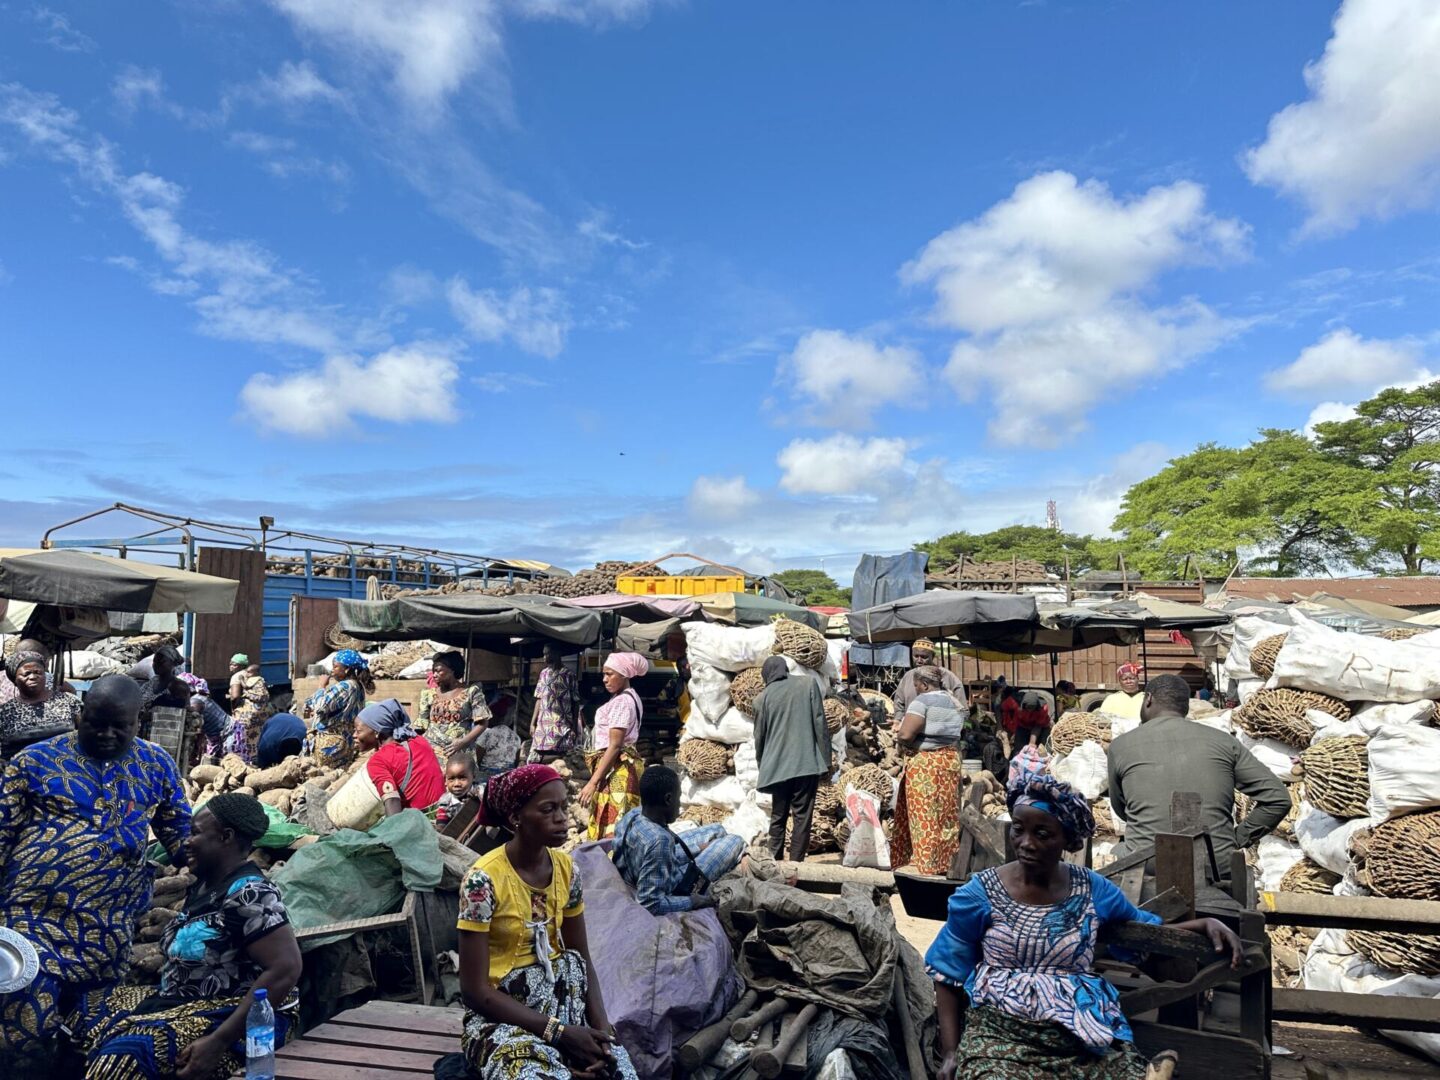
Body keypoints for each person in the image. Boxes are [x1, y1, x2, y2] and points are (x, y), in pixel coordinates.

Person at [925, 770, 1243, 1080]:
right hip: (1001, 1033)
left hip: (1079, 1034)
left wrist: (1205, 923)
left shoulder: (1092, 889)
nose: (1026, 843)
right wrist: (951, 1053)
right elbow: (947, 973)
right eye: (1018, 829)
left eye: (1042, 834)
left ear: (1068, 839)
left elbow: (1142, 933)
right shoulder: (979, 894)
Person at [0, 675, 191, 1072]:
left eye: (119, 726)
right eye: (96, 723)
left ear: (139, 721)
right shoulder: (33, 762)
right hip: (33, 924)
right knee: (23, 1035)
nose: (106, 734)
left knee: (87, 1036)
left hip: (109, 934)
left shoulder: (156, 764)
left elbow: (181, 835)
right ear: (78, 714)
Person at [78, 793, 303, 1080]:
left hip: (240, 1018)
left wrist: (218, 1043)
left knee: (126, 1056)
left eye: (195, 833)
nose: (186, 841)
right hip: (186, 1000)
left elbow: (286, 969)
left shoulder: (250, 893)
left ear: (226, 837)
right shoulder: (205, 885)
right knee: (83, 1012)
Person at [457, 764, 639, 1079]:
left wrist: (602, 1032)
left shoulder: (568, 871)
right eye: (548, 809)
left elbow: (582, 957)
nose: (562, 818)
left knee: (619, 1071)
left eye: (563, 807)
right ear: (516, 818)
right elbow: (474, 991)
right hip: (501, 1019)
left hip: (563, 1008)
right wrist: (559, 1034)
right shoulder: (482, 881)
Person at [1107, 674, 1290, 880]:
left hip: (1148, 865)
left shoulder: (1121, 745)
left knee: (1117, 852)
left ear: (1148, 699)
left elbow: (1123, 810)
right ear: (1185, 707)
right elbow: (1278, 799)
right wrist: (1236, 839)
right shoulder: (1223, 742)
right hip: (1214, 864)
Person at [612, 765, 746, 915]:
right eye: (678, 796)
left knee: (717, 830)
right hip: (671, 881)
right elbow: (649, 904)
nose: (680, 804)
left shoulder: (633, 814)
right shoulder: (659, 841)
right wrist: (693, 902)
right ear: (668, 799)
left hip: (642, 863)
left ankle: (707, 846)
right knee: (735, 840)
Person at [753, 656, 829, 862]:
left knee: (778, 817)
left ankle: (774, 864)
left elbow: (759, 738)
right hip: (806, 764)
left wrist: (764, 767)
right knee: (802, 817)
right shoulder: (807, 684)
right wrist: (825, 760)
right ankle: (796, 864)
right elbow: (820, 724)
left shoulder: (762, 699)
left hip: (776, 768)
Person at [891, 668, 966, 875]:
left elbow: (906, 735)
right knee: (947, 814)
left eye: (916, 686)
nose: (916, 690)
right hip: (950, 761)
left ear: (923, 685)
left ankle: (927, 865)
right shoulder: (954, 702)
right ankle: (948, 862)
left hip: (926, 765)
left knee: (925, 816)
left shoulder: (922, 702)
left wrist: (899, 735)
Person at [580, 652, 648, 841]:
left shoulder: (622, 702)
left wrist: (592, 782)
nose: (604, 679)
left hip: (618, 769)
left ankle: (611, 866)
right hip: (618, 768)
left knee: (616, 824)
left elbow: (615, 745)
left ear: (624, 674)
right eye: (604, 674)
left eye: (610, 674)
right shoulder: (628, 697)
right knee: (619, 820)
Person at [353, 700, 445, 816]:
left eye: (358, 731)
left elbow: (392, 802)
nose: (354, 735)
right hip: (443, 813)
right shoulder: (419, 741)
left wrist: (393, 831)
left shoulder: (378, 761)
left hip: (422, 821)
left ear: (376, 732)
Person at [0, 649, 82, 759]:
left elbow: (87, 734)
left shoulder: (69, 701)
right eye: (26, 674)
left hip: (66, 767)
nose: (33, 677)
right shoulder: (5, 712)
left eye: (38, 672)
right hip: (22, 772)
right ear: (14, 680)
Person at [302, 649, 374, 765]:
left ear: (346, 669)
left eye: (335, 667)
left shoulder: (345, 686)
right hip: (343, 742)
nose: (332, 671)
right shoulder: (356, 686)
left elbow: (321, 706)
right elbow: (325, 707)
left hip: (330, 744)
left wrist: (321, 686)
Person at [419, 651, 492, 757]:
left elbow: (482, 723)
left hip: (459, 751)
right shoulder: (428, 694)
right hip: (431, 753)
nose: (434, 675)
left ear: (452, 670)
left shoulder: (471, 692)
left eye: (438, 671)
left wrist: (463, 742)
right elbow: (422, 725)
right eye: (433, 671)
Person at [528, 644, 582, 763]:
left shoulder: (569, 675)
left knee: (561, 758)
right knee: (540, 757)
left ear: (556, 655)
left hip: (562, 725)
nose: (544, 657)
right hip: (543, 725)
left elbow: (576, 702)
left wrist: (574, 727)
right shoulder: (544, 674)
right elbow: (539, 698)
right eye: (544, 654)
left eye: (547, 654)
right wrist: (533, 723)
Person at [892, 639, 969, 712]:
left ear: (933, 656)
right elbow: (899, 704)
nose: (919, 661)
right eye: (916, 656)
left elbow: (962, 710)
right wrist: (898, 721)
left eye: (924, 657)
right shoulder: (908, 677)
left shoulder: (947, 676)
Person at [181, 674, 239, 763]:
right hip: (217, 736)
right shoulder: (196, 698)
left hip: (228, 734)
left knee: (232, 765)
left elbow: (192, 727)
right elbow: (200, 730)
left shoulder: (195, 702)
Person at [229, 661, 273, 764]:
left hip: (252, 714)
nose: (247, 674)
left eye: (249, 672)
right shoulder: (261, 680)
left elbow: (239, 693)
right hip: (262, 713)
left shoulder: (252, 680)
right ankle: (258, 755)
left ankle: (248, 756)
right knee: (259, 734)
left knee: (245, 733)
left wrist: (243, 689)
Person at [435, 751, 480, 829]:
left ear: (473, 777)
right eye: (451, 779)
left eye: (462, 778)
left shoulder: (480, 791)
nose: (456, 784)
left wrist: (477, 800)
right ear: (445, 780)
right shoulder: (446, 802)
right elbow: (441, 826)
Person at [1001, 691, 1052, 760]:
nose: (1030, 711)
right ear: (1023, 705)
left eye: (1032, 708)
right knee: (1019, 750)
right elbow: (999, 706)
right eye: (1028, 708)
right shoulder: (1014, 702)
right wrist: (1001, 727)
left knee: (1043, 749)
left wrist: (1032, 743)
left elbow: (1038, 726)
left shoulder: (1043, 708)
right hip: (1022, 726)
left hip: (1041, 728)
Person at [475, 713, 522, 781]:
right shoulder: (516, 737)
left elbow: (477, 757)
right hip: (508, 775)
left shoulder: (487, 734)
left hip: (488, 774)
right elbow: (516, 761)